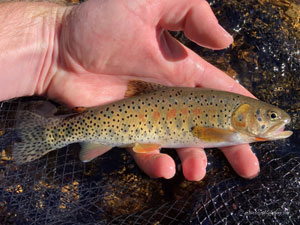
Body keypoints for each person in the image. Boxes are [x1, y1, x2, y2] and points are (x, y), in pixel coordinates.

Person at [0, 0, 259, 181]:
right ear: (243, 115)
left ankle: (52, 133)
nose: (276, 121)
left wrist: (53, 39)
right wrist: (56, 37)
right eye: (269, 117)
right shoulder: (231, 123)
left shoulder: (231, 118)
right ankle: (51, 134)